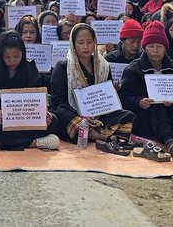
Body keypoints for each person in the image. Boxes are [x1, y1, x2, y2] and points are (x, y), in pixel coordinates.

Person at [118, 21, 173, 168]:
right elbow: (123, 97)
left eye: (159, 46)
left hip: (172, 116)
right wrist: (139, 102)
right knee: (156, 105)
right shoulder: (133, 70)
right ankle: (171, 144)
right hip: (144, 119)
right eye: (151, 46)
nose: (155, 50)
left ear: (165, 48)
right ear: (144, 48)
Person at [49, 24, 135, 154]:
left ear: (95, 43)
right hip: (73, 115)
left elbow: (107, 95)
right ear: (73, 44)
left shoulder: (104, 66)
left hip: (99, 114)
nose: (85, 47)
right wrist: (83, 117)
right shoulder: (63, 66)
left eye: (89, 42)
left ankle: (95, 133)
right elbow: (57, 101)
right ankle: (99, 136)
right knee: (60, 115)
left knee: (128, 116)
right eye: (80, 42)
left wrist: (111, 95)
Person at [0, 30, 58, 151]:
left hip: (26, 120)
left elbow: (38, 99)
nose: (12, 61)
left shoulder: (30, 69)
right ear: (0, 55)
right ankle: (33, 143)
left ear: (23, 53)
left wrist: (44, 113)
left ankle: (1, 140)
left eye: (16, 57)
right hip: (0, 122)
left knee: (53, 121)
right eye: (7, 57)